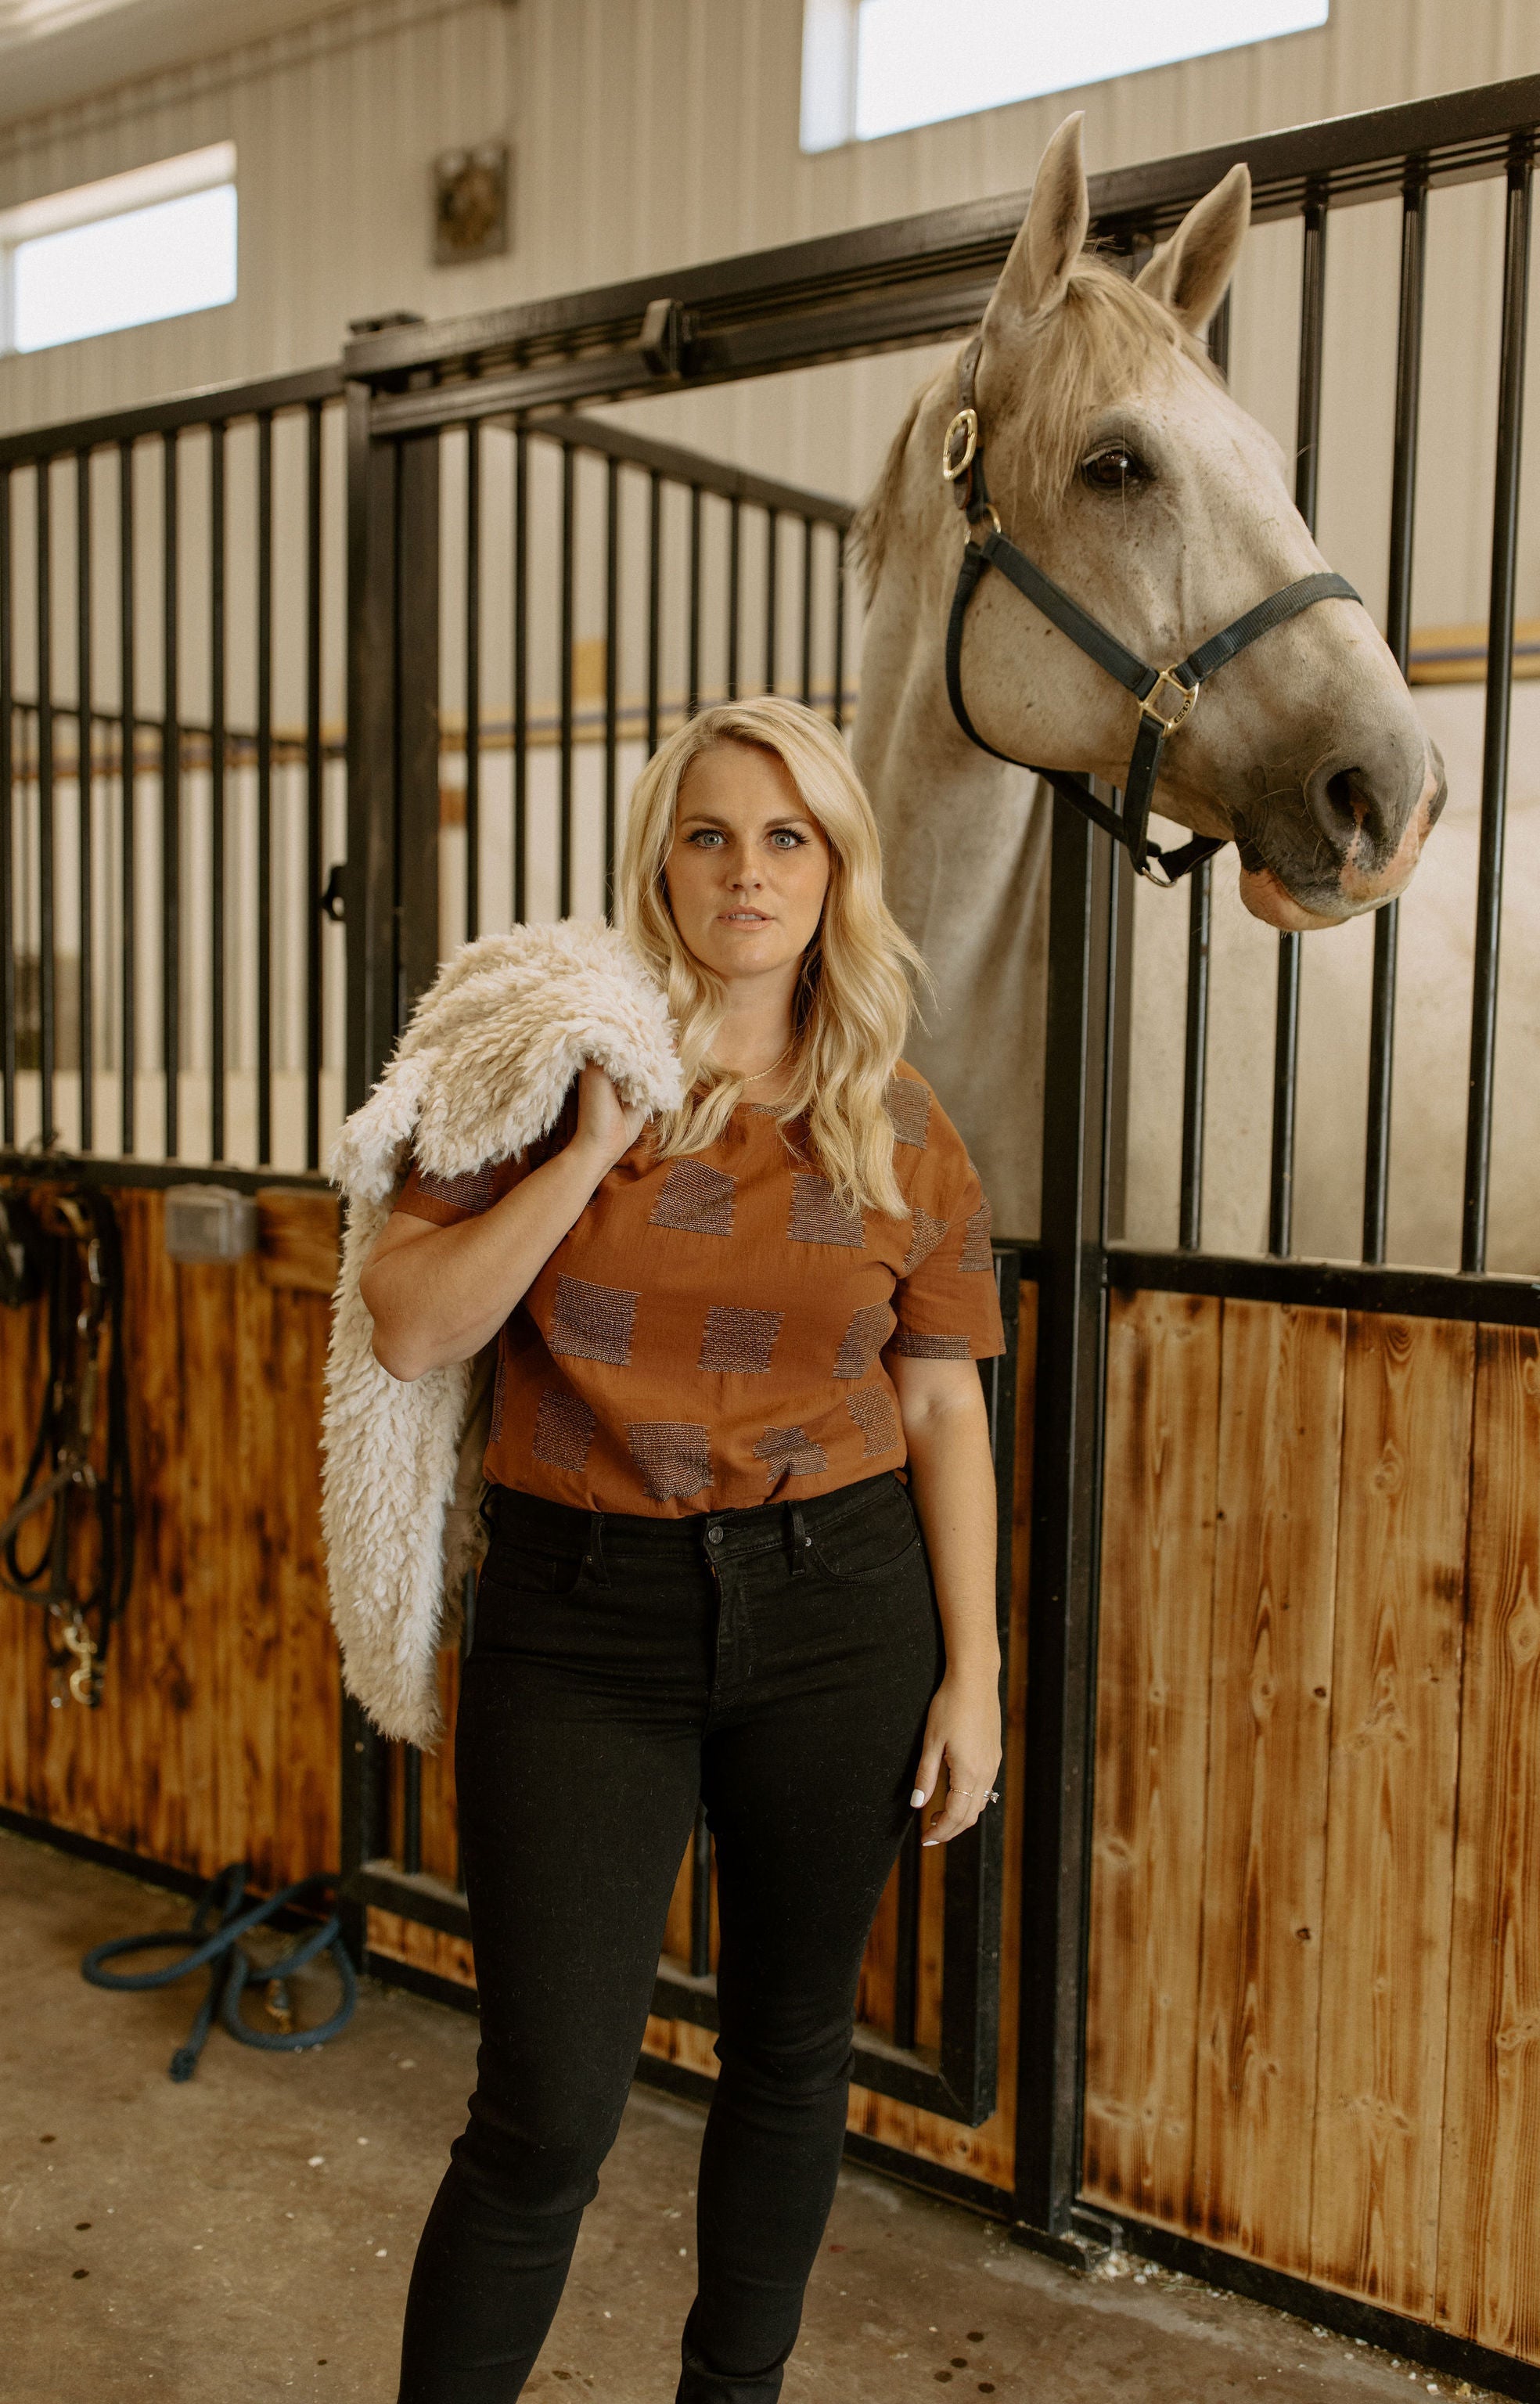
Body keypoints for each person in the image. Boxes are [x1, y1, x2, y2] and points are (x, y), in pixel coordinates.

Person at [361, 695, 1006, 2404]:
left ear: (837, 871)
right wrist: (587, 1147)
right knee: (545, 2109)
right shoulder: (536, 1073)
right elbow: (410, 1328)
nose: (748, 873)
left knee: (790, 2058)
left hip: (840, 1613)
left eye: (788, 838)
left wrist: (978, 1673)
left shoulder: (902, 1125)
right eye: (710, 835)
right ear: (660, 863)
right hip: (583, 1624)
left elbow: (942, 1400)